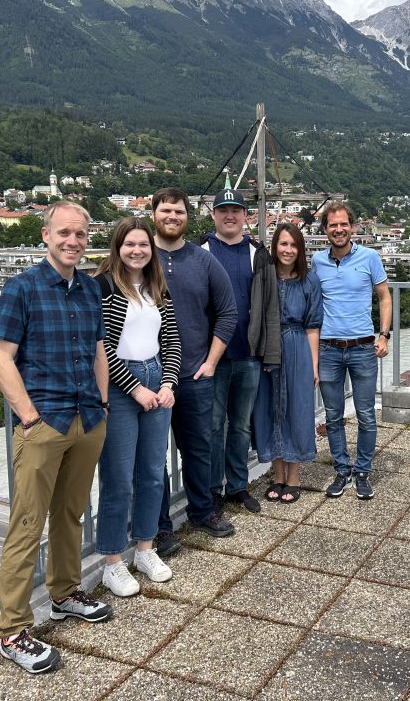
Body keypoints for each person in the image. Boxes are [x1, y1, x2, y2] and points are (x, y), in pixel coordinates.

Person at [0, 201, 111, 675]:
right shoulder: (21, 288)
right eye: (64, 233)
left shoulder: (89, 289)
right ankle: (13, 630)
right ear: (46, 235)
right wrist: (28, 417)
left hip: (86, 418)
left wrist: (101, 405)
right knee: (26, 524)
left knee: (70, 513)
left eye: (80, 234)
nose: (73, 242)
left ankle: (64, 593)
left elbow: (99, 349)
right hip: (44, 422)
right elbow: (1, 356)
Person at [94, 217, 181, 597]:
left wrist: (167, 382)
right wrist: (135, 389)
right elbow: (102, 348)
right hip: (119, 387)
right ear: (118, 247)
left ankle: (144, 548)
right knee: (118, 477)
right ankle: (112, 562)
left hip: (156, 377)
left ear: (152, 250)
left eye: (143, 245)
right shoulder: (105, 287)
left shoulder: (158, 288)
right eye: (129, 244)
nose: (137, 251)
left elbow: (173, 341)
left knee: (151, 473)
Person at [151, 187, 238, 548]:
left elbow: (228, 312)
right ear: (154, 213)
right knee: (153, 458)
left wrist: (212, 361)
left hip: (194, 374)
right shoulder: (139, 256)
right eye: (166, 210)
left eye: (180, 212)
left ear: (188, 218)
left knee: (199, 449)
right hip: (148, 378)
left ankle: (201, 511)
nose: (173, 217)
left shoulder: (203, 260)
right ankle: (158, 527)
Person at [200, 184, 280, 514]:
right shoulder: (200, 250)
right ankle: (213, 490)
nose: (229, 215)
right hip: (212, 358)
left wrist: (270, 354)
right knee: (214, 426)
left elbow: (271, 307)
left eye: (236, 210)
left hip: (248, 354)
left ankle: (238, 486)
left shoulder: (259, 254)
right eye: (223, 210)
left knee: (241, 426)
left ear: (245, 216)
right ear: (214, 215)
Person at [312, 201, 392, 500]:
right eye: (333, 225)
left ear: (352, 227)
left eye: (343, 224)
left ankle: (362, 472)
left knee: (366, 415)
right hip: (329, 349)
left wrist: (383, 335)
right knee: (333, 416)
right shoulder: (317, 262)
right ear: (325, 230)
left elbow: (384, 297)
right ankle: (342, 469)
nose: (338, 229)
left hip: (362, 349)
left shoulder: (370, 257)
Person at [253, 223, 322, 502]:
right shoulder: (264, 277)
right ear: (275, 247)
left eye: (294, 245)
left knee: (297, 409)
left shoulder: (310, 281)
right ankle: (277, 475)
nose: (288, 250)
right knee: (269, 409)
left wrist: (314, 365)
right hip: (268, 347)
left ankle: (293, 477)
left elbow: (313, 326)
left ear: (300, 249)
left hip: (297, 347)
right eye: (283, 244)